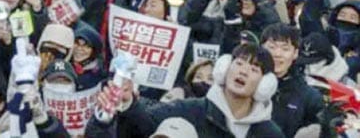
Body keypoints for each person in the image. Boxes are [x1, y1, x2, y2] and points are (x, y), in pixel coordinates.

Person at [89, 43, 284, 137]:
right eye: (239, 63)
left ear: (266, 84)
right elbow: (145, 124)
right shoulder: (190, 110)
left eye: (253, 69)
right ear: (224, 68)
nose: (243, 71)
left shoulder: (270, 133)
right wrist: (129, 103)